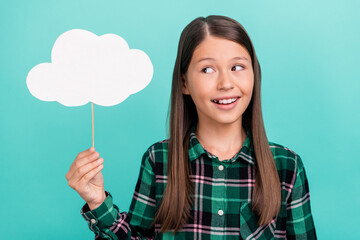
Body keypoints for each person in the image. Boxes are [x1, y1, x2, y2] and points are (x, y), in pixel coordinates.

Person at [65, 15, 317, 239]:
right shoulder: (159, 159)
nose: (226, 83)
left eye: (237, 67)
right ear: (184, 83)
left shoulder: (286, 166)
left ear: (254, 74)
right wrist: (98, 202)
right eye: (207, 69)